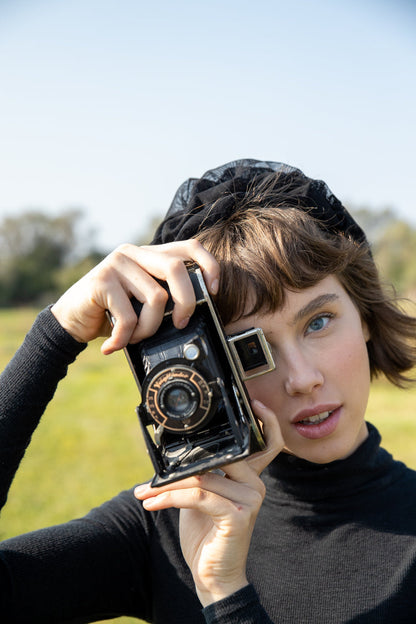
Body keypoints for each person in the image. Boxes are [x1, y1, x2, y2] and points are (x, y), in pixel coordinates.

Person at [0, 159, 415, 624]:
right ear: (212, 366)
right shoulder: (167, 527)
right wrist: (56, 334)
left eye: (318, 322)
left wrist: (225, 594)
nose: (302, 378)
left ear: (365, 317)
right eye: (250, 351)